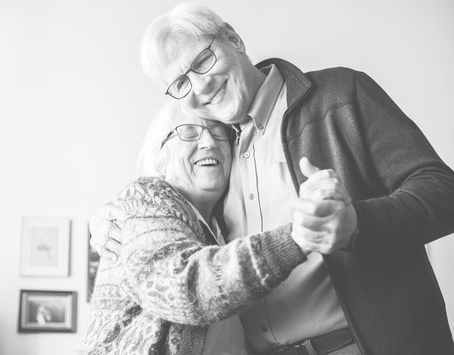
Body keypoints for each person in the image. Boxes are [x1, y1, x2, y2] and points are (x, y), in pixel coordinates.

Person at [90, 2, 454, 355]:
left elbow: (443, 191)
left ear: (234, 40)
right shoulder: (217, 153)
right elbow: (174, 237)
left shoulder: (341, 95)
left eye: (202, 62)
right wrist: (112, 218)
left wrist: (356, 222)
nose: (199, 87)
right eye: (181, 83)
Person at [78, 102, 343, 355]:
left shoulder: (221, 227)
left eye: (219, 133)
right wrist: (298, 236)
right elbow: (181, 289)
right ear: (158, 158)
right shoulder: (145, 197)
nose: (209, 142)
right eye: (188, 133)